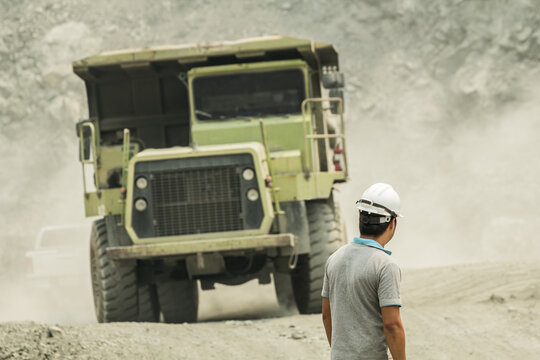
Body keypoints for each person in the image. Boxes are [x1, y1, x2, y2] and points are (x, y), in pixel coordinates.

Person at [321, 183, 406, 360]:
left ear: (360, 219)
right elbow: (392, 325)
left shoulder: (334, 259)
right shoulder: (385, 265)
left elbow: (326, 315)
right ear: (392, 223)